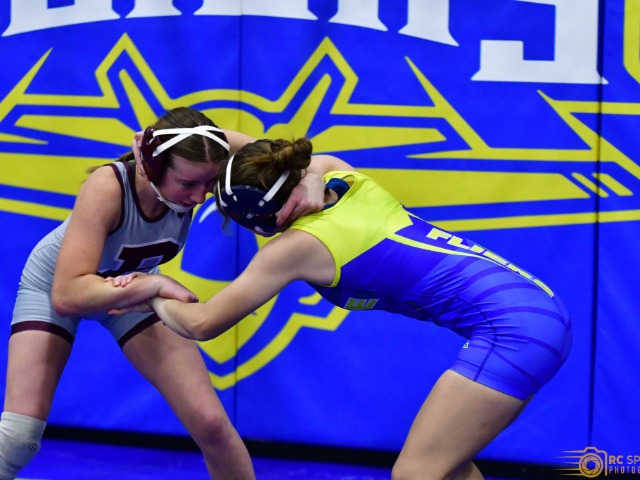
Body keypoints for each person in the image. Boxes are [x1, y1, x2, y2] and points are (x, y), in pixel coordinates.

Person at [108, 137, 573, 480]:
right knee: (448, 467)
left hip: (516, 333)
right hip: (538, 308)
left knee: (416, 474)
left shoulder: (295, 247)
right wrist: (162, 141)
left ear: (260, 221)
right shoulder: (341, 177)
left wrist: (152, 287)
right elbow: (278, 156)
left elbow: (204, 323)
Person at [0, 112, 332, 480]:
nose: (200, 196)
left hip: (132, 288)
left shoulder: (195, 166)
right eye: (187, 184)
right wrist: (151, 286)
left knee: (211, 425)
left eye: (209, 182)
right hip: (58, 285)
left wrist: (310, 178)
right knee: (19, 437)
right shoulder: (108, 186)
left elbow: (285, 162)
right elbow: (68, 295)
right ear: (152, 167)